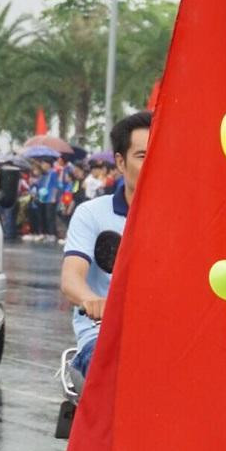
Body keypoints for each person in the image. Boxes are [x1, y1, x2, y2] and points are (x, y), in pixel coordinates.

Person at [59, 111, 151, 376]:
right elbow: (72, 278)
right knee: (121, 367)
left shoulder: (182, 217)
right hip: (104, 337)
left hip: (166, 335)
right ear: (120, 163)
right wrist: (91, 300)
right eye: (143, 156)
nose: (154, 163)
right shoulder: (92, 213)